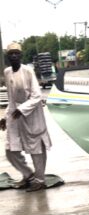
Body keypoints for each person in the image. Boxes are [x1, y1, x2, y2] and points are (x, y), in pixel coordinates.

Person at [0, 42, 52, 192]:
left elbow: (37, 96)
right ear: (8, 56)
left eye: (17, 53)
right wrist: (5, 117)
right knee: (11, 149)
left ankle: (40, 180)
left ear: (21, 55)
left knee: (36, 148)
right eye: (11, 53)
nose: (14, 56)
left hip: (32, 113)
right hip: (15, 114)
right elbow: (11, 98)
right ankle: (28, 174)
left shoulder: (28, 71)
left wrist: (22, 109)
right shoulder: (7, 71)